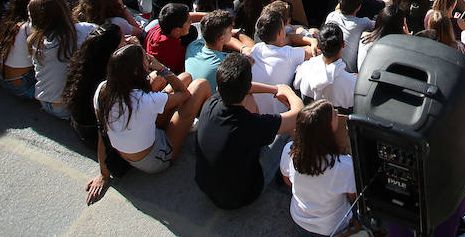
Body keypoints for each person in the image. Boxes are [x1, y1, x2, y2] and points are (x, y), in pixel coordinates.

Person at [86, 43, 209, 203]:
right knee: (200, 85)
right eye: (146, 60)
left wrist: (104, 174)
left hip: (130, 148)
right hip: (154, 159)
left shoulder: (103, 90)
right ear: (137, 72)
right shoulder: (143, 101)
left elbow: (102, 133)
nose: (149, 61)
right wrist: (162, 68)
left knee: (184, 77)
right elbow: (184, 94)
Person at [194, 52, 304, 210]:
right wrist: (287, 90)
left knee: (254, 117)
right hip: (240, 197)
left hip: (205, 185)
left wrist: (275, 89)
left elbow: (245, 88)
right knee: (285, 137)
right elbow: (297, 113)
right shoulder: (251, 125)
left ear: (218, 88)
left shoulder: (211, 103)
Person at [279, 99, 358, 237]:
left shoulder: (289, 150)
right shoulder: (344, 166)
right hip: (332, 228)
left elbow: (287, 181)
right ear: (326, 130)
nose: (337, 112)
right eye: (333, 114)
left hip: (299, 221)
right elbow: (353, 196)